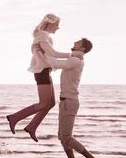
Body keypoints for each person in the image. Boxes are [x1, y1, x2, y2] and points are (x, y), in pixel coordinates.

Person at [6, 13, 82, 142]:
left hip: (45, 71)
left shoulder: (43, 36)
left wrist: (67, 59)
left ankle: (31, 127)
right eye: (57, 25)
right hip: (41, 72)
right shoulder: (42, 35)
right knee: (43, 103)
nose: (58, 28)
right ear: (51, 23)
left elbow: (51, 56)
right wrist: (73, 54)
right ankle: (14, 118)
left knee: (50, 103)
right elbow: (52, 53)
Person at [42, 38, 94, 158]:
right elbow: (56, 61)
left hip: (69, 102)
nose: (75, 42)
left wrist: (42, 51)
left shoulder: (75, 60)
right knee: (62, 136)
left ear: (82, 48)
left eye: (78, 42)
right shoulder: (75, 59)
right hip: (66, 101)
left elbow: (56, 64)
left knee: (66, 137)